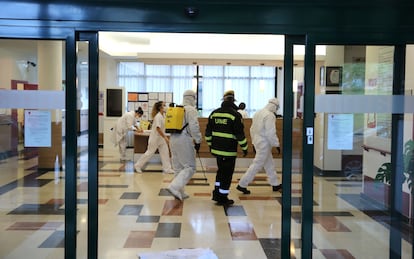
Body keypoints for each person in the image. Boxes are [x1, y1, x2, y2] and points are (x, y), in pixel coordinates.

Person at [205, 90, 248, 206]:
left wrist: (210, 145)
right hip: (229, 151)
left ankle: (216, 194)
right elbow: (240, 135)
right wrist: (245, 148)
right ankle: (223, 197)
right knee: (227, 174)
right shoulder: (235, 115)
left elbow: (208, 133)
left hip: (217, 150)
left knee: (220, 172)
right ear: (233, 101)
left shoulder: (214, 114)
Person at [236, 98, 282, 194]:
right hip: (265, 143)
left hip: (258, 142)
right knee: (257, 164)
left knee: (269, 164)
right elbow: (270, 132)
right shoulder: (270, 115)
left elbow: (252, 129)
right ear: (274, 106)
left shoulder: (258, 113)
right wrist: (276, 144)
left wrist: (254, 142)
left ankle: (275, 184)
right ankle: (242, 184)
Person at [167, 89, 202, 200]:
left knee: (178, 167)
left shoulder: (177, 108)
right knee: (190, 167)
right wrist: (198, 140)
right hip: (184, 139)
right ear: (193, 98)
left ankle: (180, 192)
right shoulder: (191, 110)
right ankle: (174, 186)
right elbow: (194, 127)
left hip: (173, 138)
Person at [134, 101, 174, 174]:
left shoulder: (163, 116)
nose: (166, 107)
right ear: (160, 108)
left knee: (165, 153)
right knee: (149, 153)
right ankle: (137, 165)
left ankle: (167, 168)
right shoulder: (158, 116)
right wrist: (165, 137)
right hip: (155, 139)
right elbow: (158, 129)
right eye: (164, 105)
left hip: (161, 139)